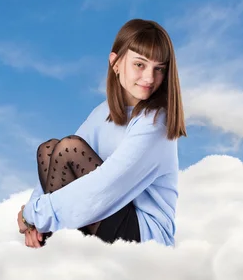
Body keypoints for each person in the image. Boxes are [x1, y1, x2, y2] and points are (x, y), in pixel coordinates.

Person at [17, 19, 186, 248]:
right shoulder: (102, 112)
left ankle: (51, 254)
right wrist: (33, 211)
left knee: (69, 149)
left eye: (159, 69)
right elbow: (56, 163)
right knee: (49, 150)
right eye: (140, 65)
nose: (149, 78)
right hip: (110, 216)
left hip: (145, 236)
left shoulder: (155, 122)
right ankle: (51, 250)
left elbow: (107, 185)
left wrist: (35, 214)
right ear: (115, 63)